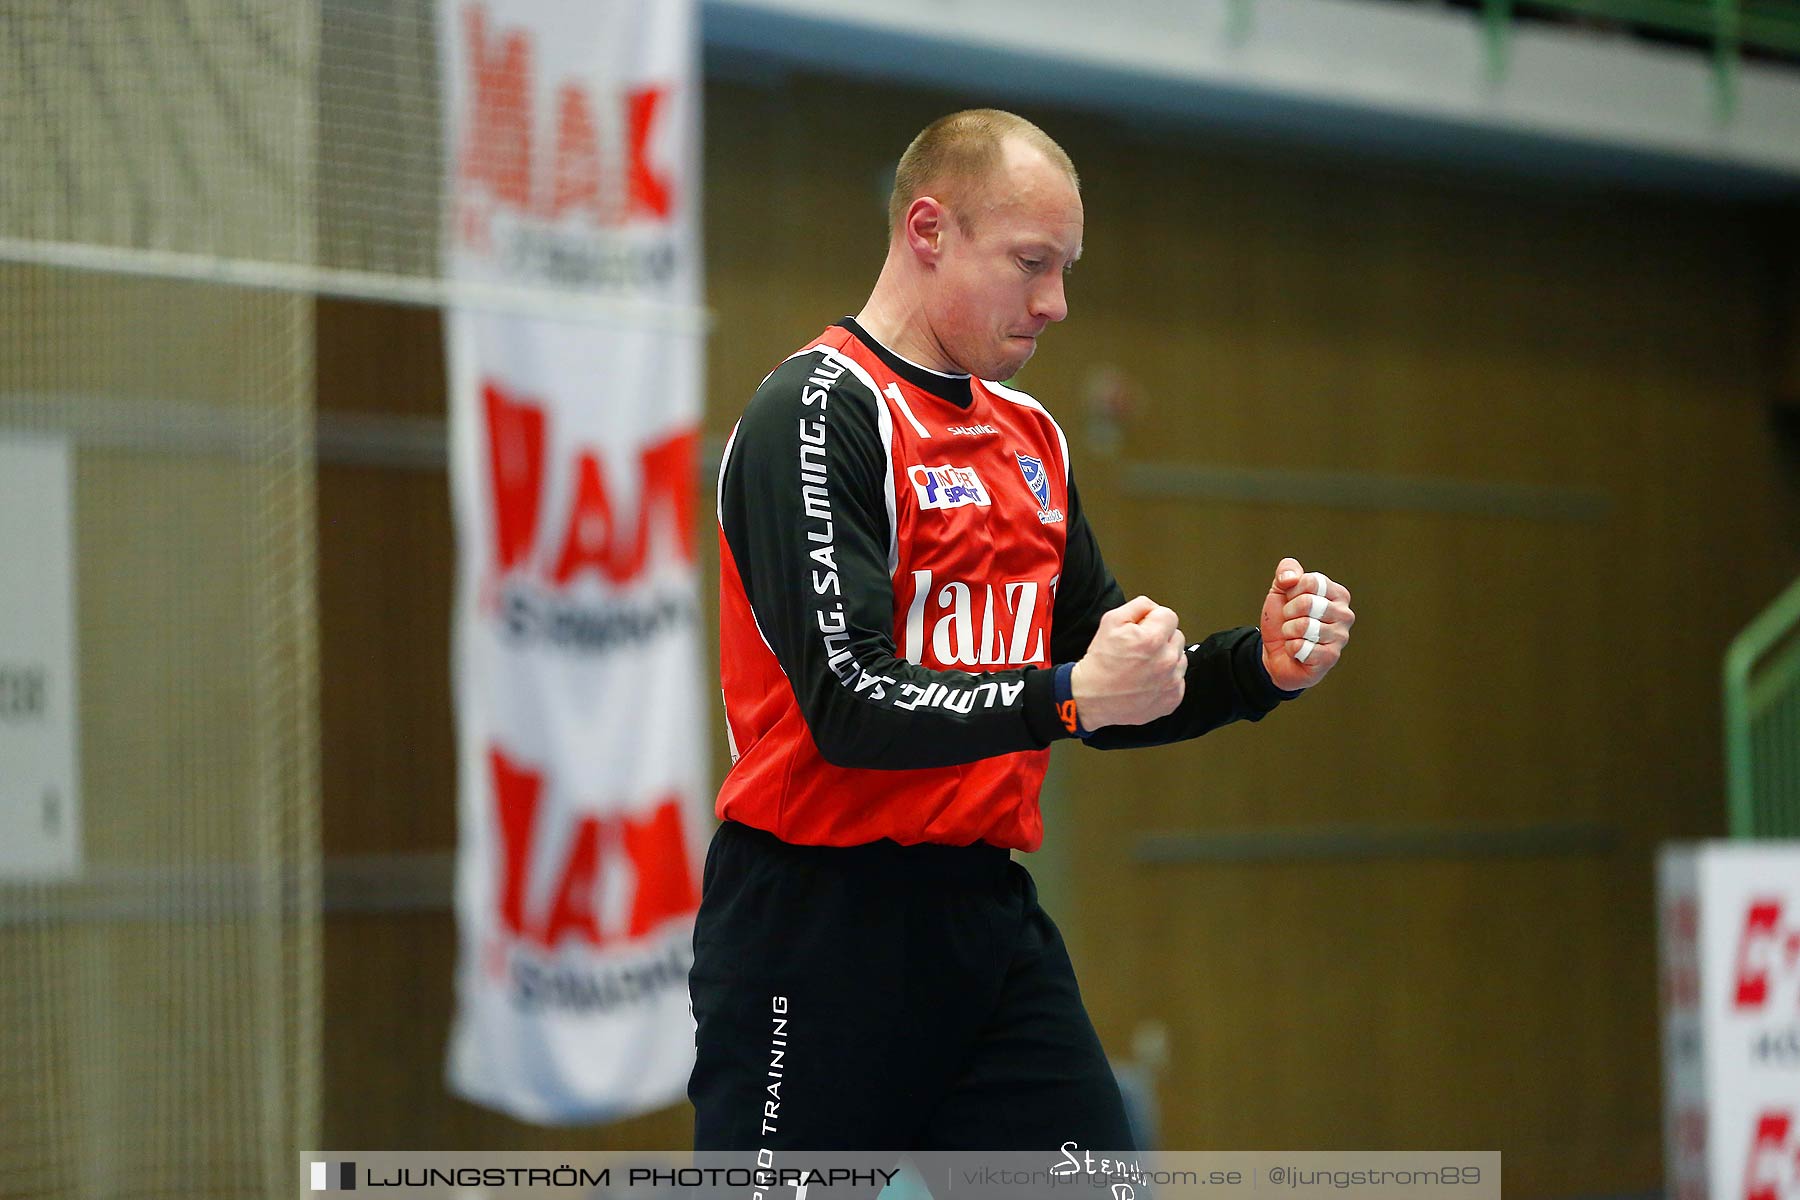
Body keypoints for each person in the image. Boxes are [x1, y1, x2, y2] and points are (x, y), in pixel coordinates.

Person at [688, 109, 1355, 1154]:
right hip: (813, 927)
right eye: (1031, 263)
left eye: (1066, 268)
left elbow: (1106, 691)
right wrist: (1068, 695)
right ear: (927, 231)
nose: (1056, 303)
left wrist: (1252, 669)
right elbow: (850, 705)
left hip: (984, 917)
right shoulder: (817, 413)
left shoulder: (1031, 432)